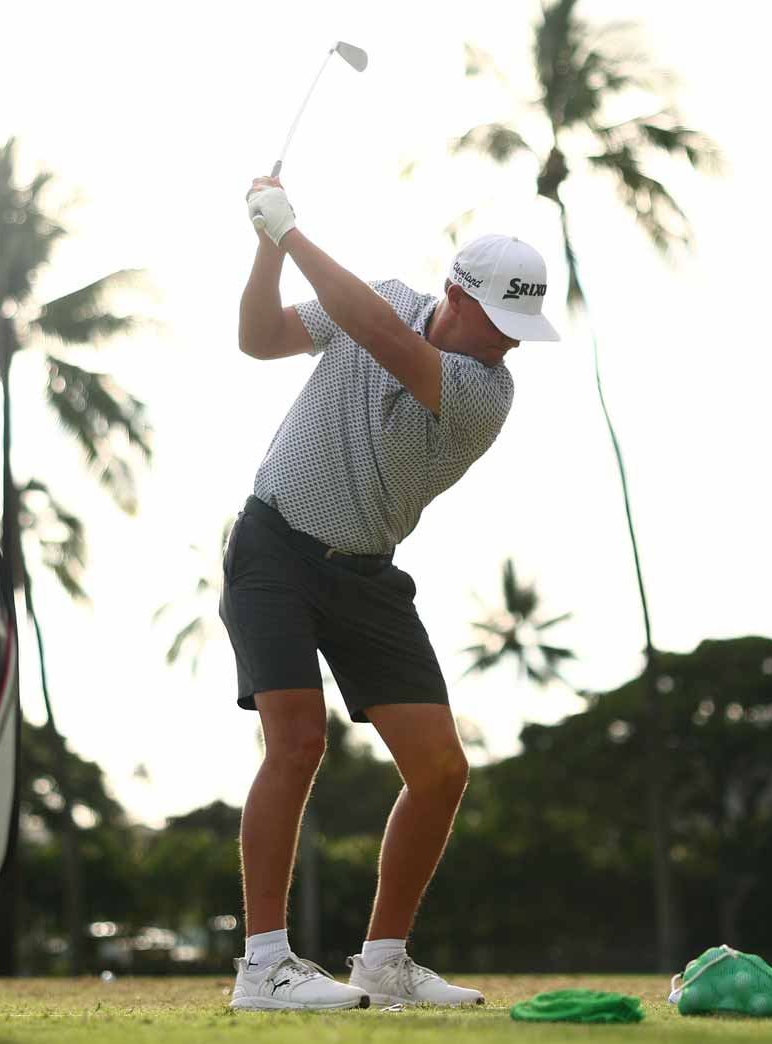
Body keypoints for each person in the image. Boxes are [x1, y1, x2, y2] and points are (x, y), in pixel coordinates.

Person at [223, 176, 559, 1010]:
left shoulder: (486, 392)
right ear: (453, 293)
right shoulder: (378, 297)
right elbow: (259, 338)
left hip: (366, 575)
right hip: (274, 547)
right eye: (499, 322)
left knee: (442, 770)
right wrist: (269, 248)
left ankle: (383, 961)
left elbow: (382, 340)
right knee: (297, 742)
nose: (508, 344)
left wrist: (294, 233)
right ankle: (263, 967)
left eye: (522, 330)